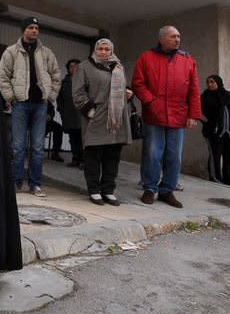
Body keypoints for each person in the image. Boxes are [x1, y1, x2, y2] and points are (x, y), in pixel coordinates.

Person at [132, 25, 201, 208]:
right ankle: (149, 188)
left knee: (174, 156)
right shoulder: (146, 57)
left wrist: (193, 114)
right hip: (154, 114)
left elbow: (194, 90)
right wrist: (151, 102)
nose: (177, 39)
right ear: (162, 39)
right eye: (173, 36)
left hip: (178, 116)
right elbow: (138, 84)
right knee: (152, 153)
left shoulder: (187, 60)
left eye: (178, 36)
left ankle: (167, 191)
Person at [0, 17, 61, 198]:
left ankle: (35, 184)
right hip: (20, 105)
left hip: (40, 105)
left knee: (38, 148)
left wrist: (50, 97)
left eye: (37, 28)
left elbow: (56, 75)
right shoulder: (11, 52)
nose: (35, 31)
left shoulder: (46, 53)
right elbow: (2, 76)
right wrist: (11, 97)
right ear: (23, 30)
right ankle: (16, 183)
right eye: (31, 27)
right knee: (17, 147)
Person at [72, 39, 132, 206]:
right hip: (97, 118)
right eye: (100, 49)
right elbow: (77, 93)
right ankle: (94, 190)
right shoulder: (85, 66)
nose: (104, 52)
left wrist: (128, 93)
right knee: (93, 157)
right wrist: (91, 112)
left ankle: (108, 190)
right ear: (95, 50)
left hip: (116, 119)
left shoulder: (118, 67)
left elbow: (122, 88)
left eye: (107, 49)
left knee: (112, 157)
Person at [200, 75, 230, 187]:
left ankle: (228, 179)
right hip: (214, 132)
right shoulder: (205, 97)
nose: (209, 84)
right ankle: (215, 178)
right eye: (207, 82)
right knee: (215, 155)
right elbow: (199, 112)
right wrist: (209, 123)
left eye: (212, 82)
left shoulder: (229, 95)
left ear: (218, 82)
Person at [58, 59, 83, 168]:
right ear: (68, 69)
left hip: (81, 115)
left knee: (82, 139)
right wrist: (61, 111)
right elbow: (60, 99)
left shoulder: (84, 81)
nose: (73, 68)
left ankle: (83, 161)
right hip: (69, 115)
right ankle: (75, 159)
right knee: (72, 139)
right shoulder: (64, 82)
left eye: (76, 66)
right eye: (71, 66)